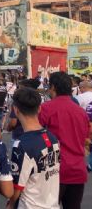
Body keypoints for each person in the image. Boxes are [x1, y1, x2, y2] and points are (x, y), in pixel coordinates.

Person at [39, 72, 89, 209]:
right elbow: (85, 139)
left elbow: (37, 137)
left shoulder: (46, 108)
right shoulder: (81, 112)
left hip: (54, 170)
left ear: (53, 87)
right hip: (78, 169)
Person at [7, 88, 60, 209]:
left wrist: (10, 204)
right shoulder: (52, 138)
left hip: (30, 205)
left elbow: (16, 187)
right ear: (39, 108)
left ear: (16, 110)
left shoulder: (21, 145)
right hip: (52, 204)